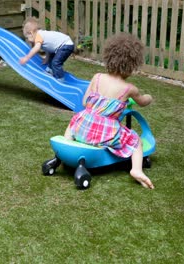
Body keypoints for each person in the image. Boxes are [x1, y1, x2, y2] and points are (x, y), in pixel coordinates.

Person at [64, 33, 155, 189]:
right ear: (132, 65)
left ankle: (67, 145)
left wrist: (98, 105)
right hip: (105, 134)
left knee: (75, 120)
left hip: (84, 128)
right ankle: (136, 169)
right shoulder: (129, 89)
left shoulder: (97, 77)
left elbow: (85, 102)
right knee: (135, 141)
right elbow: (143, 102)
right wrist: (149, 97)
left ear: (109, 57)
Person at [19, 17, 74, 81]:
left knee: (56, 62)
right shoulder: (41, 35)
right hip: (62, 45)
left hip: (66, 45)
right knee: (52, 57)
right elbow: (49, 48)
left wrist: (26, 57)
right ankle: (50, 71)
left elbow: (36, 48)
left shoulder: (38, 36)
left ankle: (60, 79)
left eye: (27, 37)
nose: (28, 40)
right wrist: (47, 58)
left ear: (31, 33)